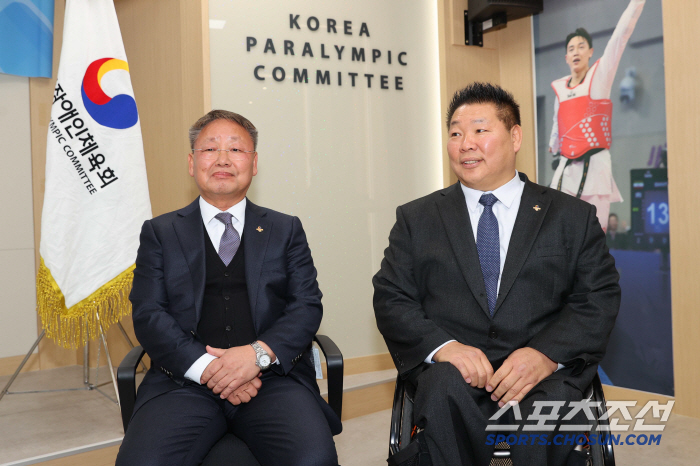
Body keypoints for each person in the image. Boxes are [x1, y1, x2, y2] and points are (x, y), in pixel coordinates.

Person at [373, 83, 621, 466]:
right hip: (454, 372)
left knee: (550, 412)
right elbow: (391, 297)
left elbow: (597, 297)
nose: (465, 143)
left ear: (515, 136)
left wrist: (544, 355)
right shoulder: (417, 219)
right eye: (455, 133)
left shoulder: (571, 216)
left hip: (541, 373)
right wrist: (446, 349)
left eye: (479, 130)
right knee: (440, 393)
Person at [116, 110, 340, 466]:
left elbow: (306, 306)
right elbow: (148, 314)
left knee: (313, 459)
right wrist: (208, 368)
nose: (222, 159)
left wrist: (255, 356)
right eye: (210, 149)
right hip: (183, 381)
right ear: (192, 163)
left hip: (272, 380)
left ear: (254, 164)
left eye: (236, 150)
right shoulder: (159, 233)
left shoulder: (286, 230)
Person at [549, 0, 646, 232]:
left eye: (581, 47)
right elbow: (556, 126)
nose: (576, 52)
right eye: (571, 49)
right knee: (563, 236)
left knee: (595, 239)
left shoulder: (600, 77)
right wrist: (554, 148)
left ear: (591, 52)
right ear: (565, 57)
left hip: (596, 170)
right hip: (565, 171)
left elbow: (621, 36)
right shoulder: (559, 88)